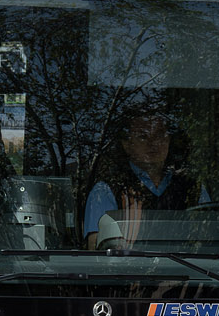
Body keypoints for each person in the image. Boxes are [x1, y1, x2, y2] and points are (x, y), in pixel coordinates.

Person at [83, 107, 208, 249]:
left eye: (160, 135)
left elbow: (209, 239)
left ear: (168, 141)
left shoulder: (193, 188)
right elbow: (98, 250)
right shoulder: (107, 190)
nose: (153, 143)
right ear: (127, 145)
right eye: (143, 136)